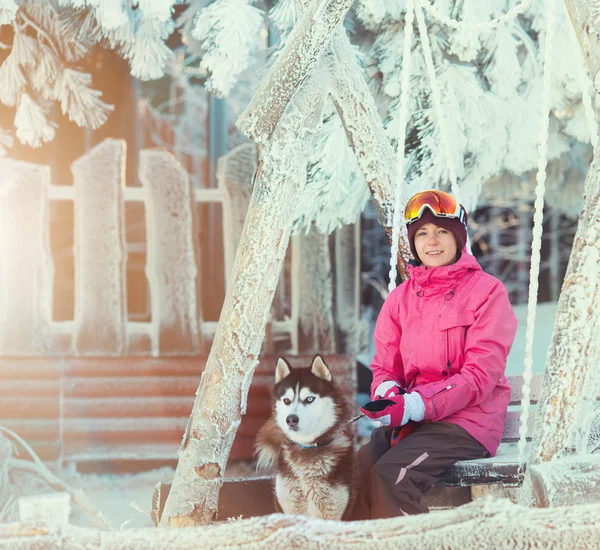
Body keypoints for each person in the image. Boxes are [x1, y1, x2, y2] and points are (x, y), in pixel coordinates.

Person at [351, 189, 517, 519]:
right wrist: (387, 393)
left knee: (390, 478)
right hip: (417, 425)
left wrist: (417, 404)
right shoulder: (399, 299)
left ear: (458, 238)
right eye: (423, 234)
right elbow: (385, 366)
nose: (432, 241)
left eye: (442, 231)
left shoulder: (487, 293)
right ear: (413, 243)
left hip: (467, 423)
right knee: (349, 478)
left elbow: (479, 376)